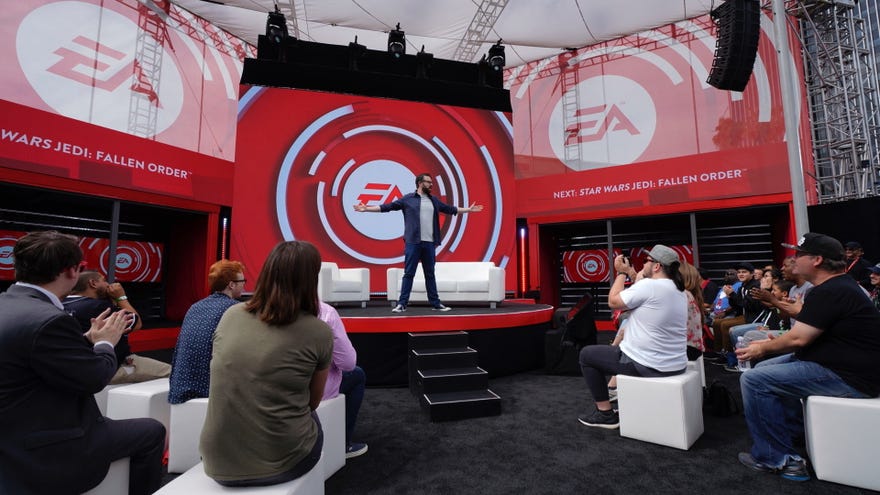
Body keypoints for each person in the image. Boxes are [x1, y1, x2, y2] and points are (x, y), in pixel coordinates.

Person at [0, 231, 165, 494]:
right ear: (72, 271)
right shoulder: (50, 319)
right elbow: (94, 378)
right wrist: (105, 343)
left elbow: (34, 356)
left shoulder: (10, 304)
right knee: (152, 432)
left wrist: (86, 339)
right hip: (44, 444)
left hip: (13, 429)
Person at [736, 233, 880, 482]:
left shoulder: (832, 290)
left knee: (754, 380)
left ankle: (779, 459)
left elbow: (798, 339)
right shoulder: (835, 287)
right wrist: (770, 344)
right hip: (836, 365)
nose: (793, 259)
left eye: (799, 254)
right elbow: (806, 328)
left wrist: (763, 348)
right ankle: (793, 434)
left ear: (817, 260)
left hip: (850, 377)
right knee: (765, 368)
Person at [200, 241, 333, 487]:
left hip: (216, 462)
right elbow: (312, 402)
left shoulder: (231, 315)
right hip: (283, 462)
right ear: (310, 280)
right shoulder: (319, 331)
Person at [577, 245, 688, 429]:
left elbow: (613, 301)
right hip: (675, 364)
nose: (643, 264)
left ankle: (605, 414)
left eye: (646, 261)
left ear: (657, 266)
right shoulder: (679, 291)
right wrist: (632, 273)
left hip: (648, 364)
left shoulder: (650, 286)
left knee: (587, 355)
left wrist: (621, 273)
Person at [353, 173, 483, 312]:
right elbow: (387, 207)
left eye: (431, 182)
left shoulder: (434, 200)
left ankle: (436, 303)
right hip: (413, 242)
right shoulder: (408, 199)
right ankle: (402, 304)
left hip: (429, 243)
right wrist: (367, 208)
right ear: (420, 183)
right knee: (409, 273)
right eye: (428, 182)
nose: (431, 185)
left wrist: (468, 210)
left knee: (430, 274)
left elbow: (450, 209)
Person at [63, 270, 171, 384]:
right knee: (173, 374)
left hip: (76, 366)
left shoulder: (62, 303)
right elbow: (137, 323)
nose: (108, 284)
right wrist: (121, 297)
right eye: (104, 280)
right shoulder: (97, 306)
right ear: (93, 283)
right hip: (111, 366)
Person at [168, 260, 245, 404]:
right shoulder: (235, 309)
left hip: (179, 391)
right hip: (209, 393)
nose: (244, 285)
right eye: (242, 281)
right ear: (231, 285)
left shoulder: (195, 307)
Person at [319, 302, 368, 458]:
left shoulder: (260, 312)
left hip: (270, 392)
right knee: (357, 374)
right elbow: (348, 364)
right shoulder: (325, 313)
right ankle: (342, 444)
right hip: (311, 394)